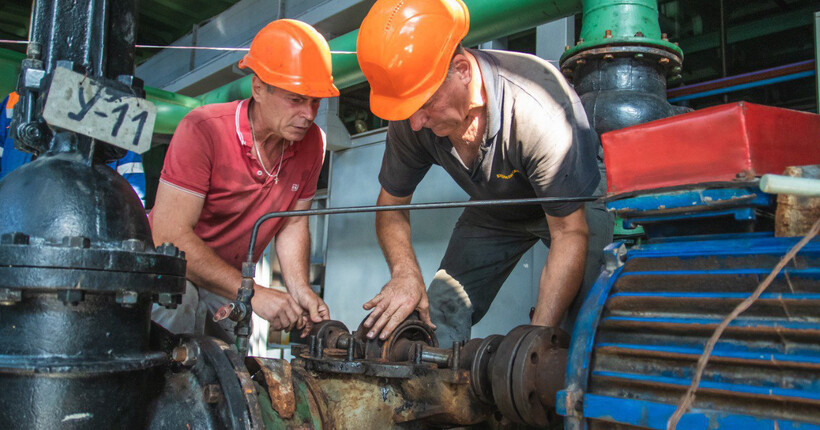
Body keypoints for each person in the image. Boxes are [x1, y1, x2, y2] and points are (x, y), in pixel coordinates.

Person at [356, 0, 614, 344]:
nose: (416, 122)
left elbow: (569, 232)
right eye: (409, 110)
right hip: (497, 206)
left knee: (585, 322)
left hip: (573, 207)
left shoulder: (536, 109)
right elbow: (390, 205)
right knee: (439, 315)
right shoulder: (412, 119)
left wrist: (534, 345)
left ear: (462, 70)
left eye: (425, 104)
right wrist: (405, 274)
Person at [149, 19, 336, 340]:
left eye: (315, 101)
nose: (309, 114)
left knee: (230, 369)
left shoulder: (312, 143)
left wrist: (301, 289)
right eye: (296, 99)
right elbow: (169, 238)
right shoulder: (203, 129)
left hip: (227, 280)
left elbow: (291, 225)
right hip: (169, 268)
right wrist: (254, 292)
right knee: (180, 301)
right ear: (259, 88)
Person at [0, 92, 147, 205]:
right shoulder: (17, 100)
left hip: (84, 222)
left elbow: (132, 191)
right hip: (14, 214)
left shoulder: (116, 111)